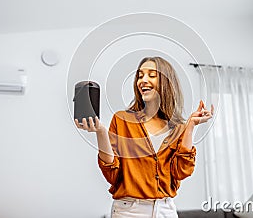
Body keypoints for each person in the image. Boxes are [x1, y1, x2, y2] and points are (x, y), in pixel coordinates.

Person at [75, 56, 213, 218]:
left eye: (151, 75)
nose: (143, 80)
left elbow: (181, 171)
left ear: (166, 82)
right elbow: (112, 175)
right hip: (129, 211)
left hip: (166, 210)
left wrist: (190, 127)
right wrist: (101, 132)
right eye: (140, 76)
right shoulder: (122, 120)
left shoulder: (178, 127)